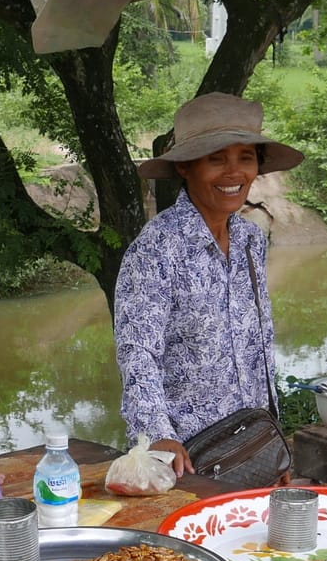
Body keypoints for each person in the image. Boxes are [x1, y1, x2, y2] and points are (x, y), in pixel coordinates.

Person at [113, 93, 304, 474]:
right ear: (185, 166)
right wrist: (157, 436)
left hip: (252, 446)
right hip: (187, 460)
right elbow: (137, 353)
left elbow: (259, 346)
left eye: (245, 157)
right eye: (216, 159)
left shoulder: (251, 239)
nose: (234, 173)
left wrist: (272, 441)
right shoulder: (156, 248)